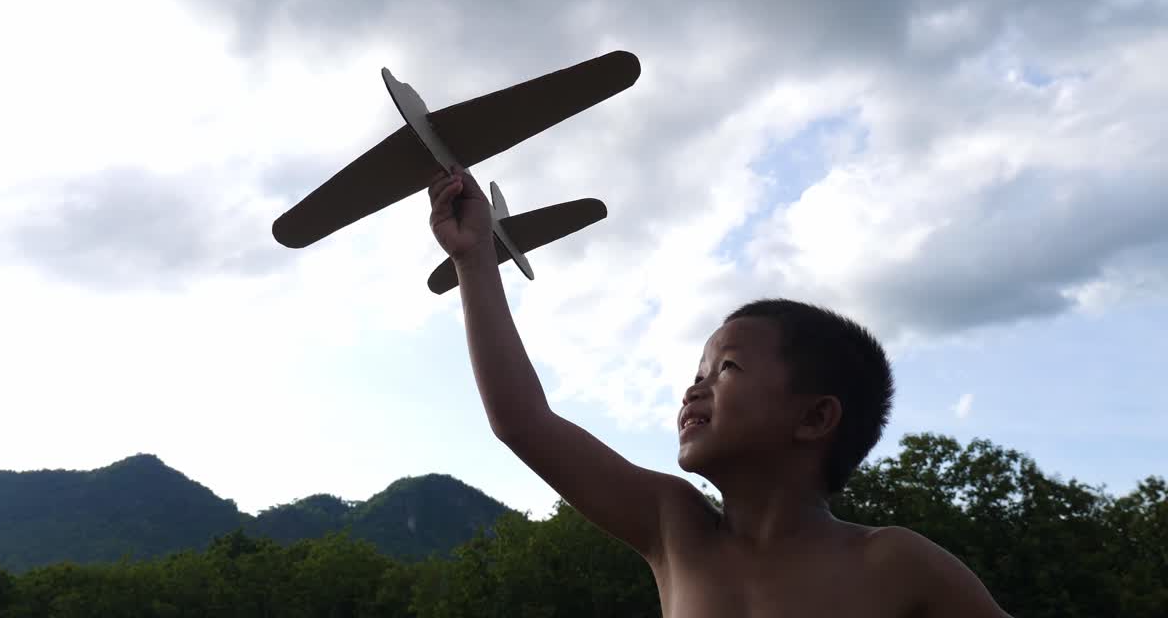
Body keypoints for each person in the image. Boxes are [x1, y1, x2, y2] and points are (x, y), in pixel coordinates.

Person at [427, 165, 1012, 617]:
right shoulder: (674, 525)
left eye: (725, 369)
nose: (693, 390)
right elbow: (522, 421)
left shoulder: (896, 562)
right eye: (698, 373)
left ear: (814, 418)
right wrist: (476, 260)